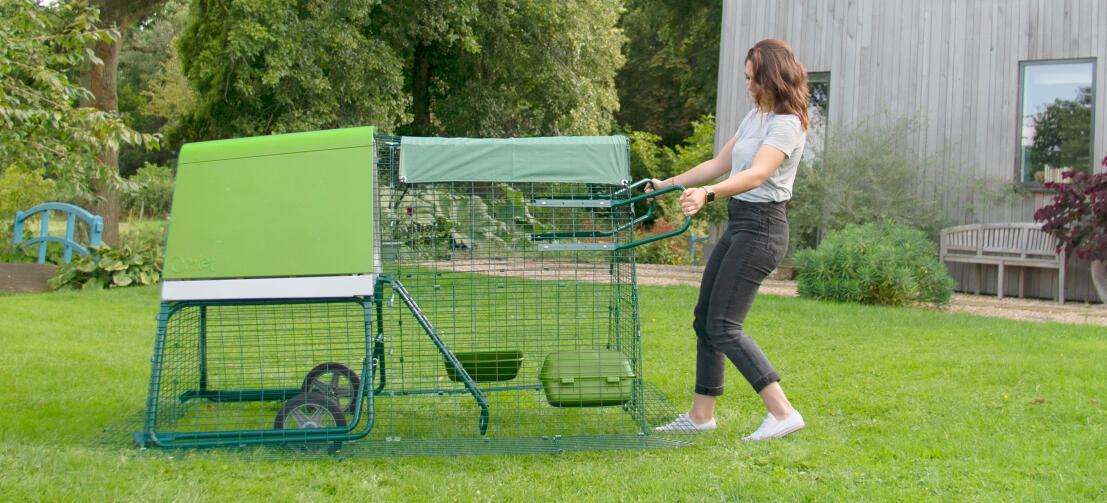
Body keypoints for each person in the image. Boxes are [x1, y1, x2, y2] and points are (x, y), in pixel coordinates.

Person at [651, 39, 809, 440]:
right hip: (741, 224)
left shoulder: (787, 124)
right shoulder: (754, 118)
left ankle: (783, 412)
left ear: (773, 77)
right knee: (705, 319)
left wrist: (708, 194)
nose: (749, 86)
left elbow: (756, 175)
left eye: (754, 79)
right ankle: (701, 416)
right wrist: (666, 185)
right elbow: (719, 164)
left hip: (763, 228)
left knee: (724, 324)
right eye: (746, 79)